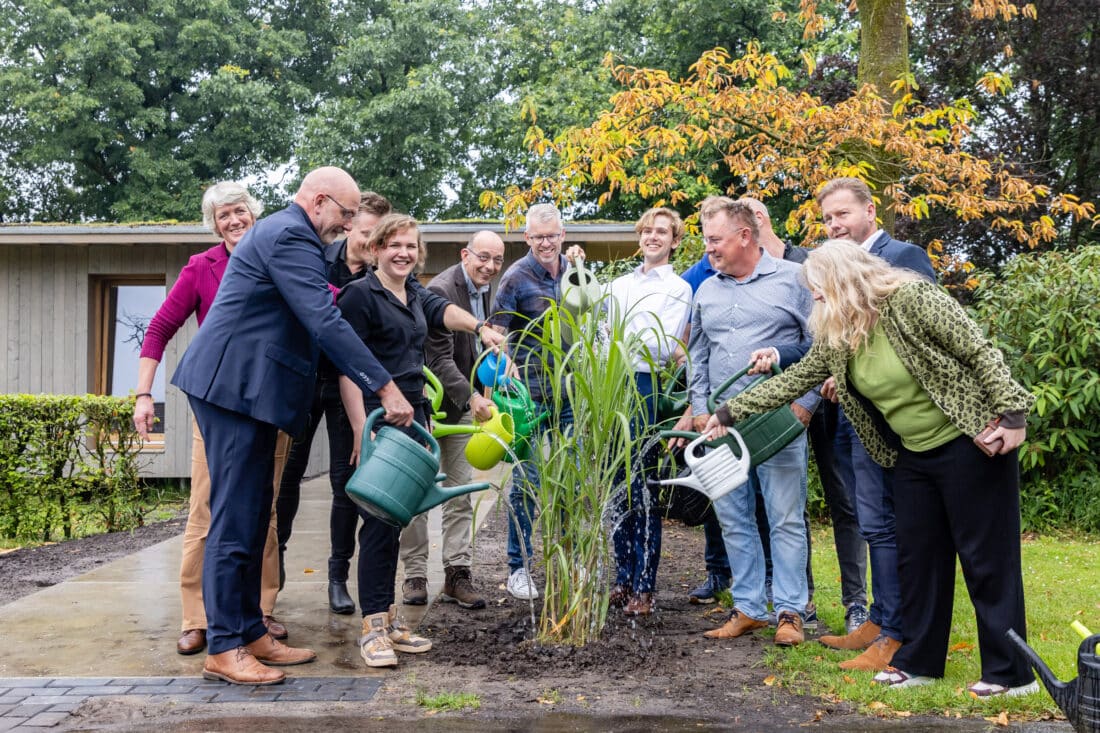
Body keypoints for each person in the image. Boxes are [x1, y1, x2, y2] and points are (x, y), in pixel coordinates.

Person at [706, 241, 1037, 697]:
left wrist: (1014, 415)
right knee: (918, 561)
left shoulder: (912, 300)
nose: (815, 299)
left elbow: (978, 351)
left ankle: (1010, 675)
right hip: (911, 453)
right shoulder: (841, 333)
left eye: (819, 290)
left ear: (844, 280)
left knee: (986, 562)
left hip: (971, 441)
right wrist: (726, 414)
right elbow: (794, 380)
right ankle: (919, 662)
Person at [170, 167, 416, 686]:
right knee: (234, 521)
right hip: (231, 389)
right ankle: (224, 645)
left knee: (257, 514)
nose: (349, 226)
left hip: (253, 393)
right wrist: (384, 386)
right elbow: (324, 321)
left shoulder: (294, 235)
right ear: (321, 201)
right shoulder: (288, 235)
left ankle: (249, 630)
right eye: (347, 215)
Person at [335, 214, 505, 667]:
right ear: (375, 249)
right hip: (379, 421)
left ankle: (389, 620)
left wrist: (480, 328)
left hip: (415, 419)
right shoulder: (359, 296)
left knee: (394, 523)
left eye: (411, 246)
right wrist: (360, 431)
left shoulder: (413, 293)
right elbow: (345, 364)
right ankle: (372, 629)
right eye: (394, 245)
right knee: (377, 525)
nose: (403, 253)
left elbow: (441, 312)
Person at [132, 181, 291, 656]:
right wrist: (144, 393)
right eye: (223, 215)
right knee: (206, 507)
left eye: (239, 211)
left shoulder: (277, 257)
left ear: (253, 212)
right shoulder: (202, 268)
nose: (233, 220)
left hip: (268, 403)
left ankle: (259, 612)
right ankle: (197, 616)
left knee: (265, 511)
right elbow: (159, 327)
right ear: (214, 223)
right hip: (219, 408)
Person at [812, 177, 936, 671]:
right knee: (869, 519)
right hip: (849, 415)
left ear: (870, 210)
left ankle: (894, 633)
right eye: (827, 219)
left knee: (885, 523)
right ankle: (878, 619)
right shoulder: (832, 265)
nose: (835, 225)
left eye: (842, 214)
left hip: (890, 419)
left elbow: (926, 336)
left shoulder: (904, 256)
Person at [680, 197, 816, 647]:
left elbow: (821, 346)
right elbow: (697, 357)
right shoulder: (707, 290)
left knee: (785, 519)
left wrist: (808, 403)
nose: (709, 249)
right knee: (734, 518)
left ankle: (790, 612)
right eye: (706, 240)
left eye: (715, 240)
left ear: (744, 236)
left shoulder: (793, 280)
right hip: (720, 428)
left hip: (779, 423)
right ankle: (750, 608)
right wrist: (699, 409)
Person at [741, 196, 868, 633]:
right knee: (784, 504)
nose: (832, 225)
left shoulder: (809, 262)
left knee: (845, 500)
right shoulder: (741, 273)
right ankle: (801, 600)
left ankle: (858, 603)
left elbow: (824, 340)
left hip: (825, 403)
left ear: (758, 221)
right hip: (778, 409)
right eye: (827, 218)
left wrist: (808, 401)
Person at [272, 193, 393, 615]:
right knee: (288, 475)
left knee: (347, 480)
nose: (369, 242)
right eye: (364, 232)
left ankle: (337, 576)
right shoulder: (318, 259)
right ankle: (277, 559)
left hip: (352, 388)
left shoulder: (381, 278)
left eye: (378, 235)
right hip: (305, 383)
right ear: (349, 226)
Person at [398, 230, 506, 610]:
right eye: (483, 258)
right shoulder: (443, 290)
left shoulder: (487, 291)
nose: (490, 267)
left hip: (461, 407)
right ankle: (414, 574)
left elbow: (481, 352)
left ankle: (457, 575)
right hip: (429, 407)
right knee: (417, 494)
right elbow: (439, 360)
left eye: (497, 260)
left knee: (459, 492)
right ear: (465, 254)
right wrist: (473, 396)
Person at [487, 203, 586, 600]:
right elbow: (495, 332)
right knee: (526, 483)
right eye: (538, 236)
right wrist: (503, 361)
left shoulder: (575, 272)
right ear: (527, 238)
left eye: (552, 235)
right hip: (530, 396)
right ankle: (519, 568)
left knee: (572, 479)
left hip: (572, 396)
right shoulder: (514, 278)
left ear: (562, 235)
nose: (546, 242)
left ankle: (570, 560)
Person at [606, 207, 691, 616]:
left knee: (642, 486)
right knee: (615, 487)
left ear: (674, 241)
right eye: (647, 231)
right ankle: (622, 578)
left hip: (646, 387)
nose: (652, 237)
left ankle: (645, 586)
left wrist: (622, 341)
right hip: (609, 387)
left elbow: (665, 346)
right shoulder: (617, 286)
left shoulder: (678, 289)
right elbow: (600, 335)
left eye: (662, 232)